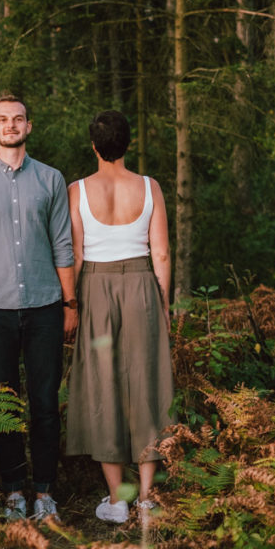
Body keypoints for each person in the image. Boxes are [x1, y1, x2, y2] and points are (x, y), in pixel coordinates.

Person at [0, 95, 78, 523]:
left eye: (18, 119)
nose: (11, 125)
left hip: (45, 306)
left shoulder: (51, 180)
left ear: (29, 125)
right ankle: (13, 492)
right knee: (3, 404)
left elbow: (63, 244)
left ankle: (44, 492)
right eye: (3, 120)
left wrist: (69, 303)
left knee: (44, 402)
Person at [65, 110, 173, 524]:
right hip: (142, 287)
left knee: (102, 385)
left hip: (95, 289)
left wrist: (70, 305)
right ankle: (147, 498)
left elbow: (74, 255)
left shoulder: (77, 191)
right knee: (146, 381)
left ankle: (117, 500)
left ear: (93, 146)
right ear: (128, 143)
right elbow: (160, 253)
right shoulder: (149, 187)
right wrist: (163, 304)